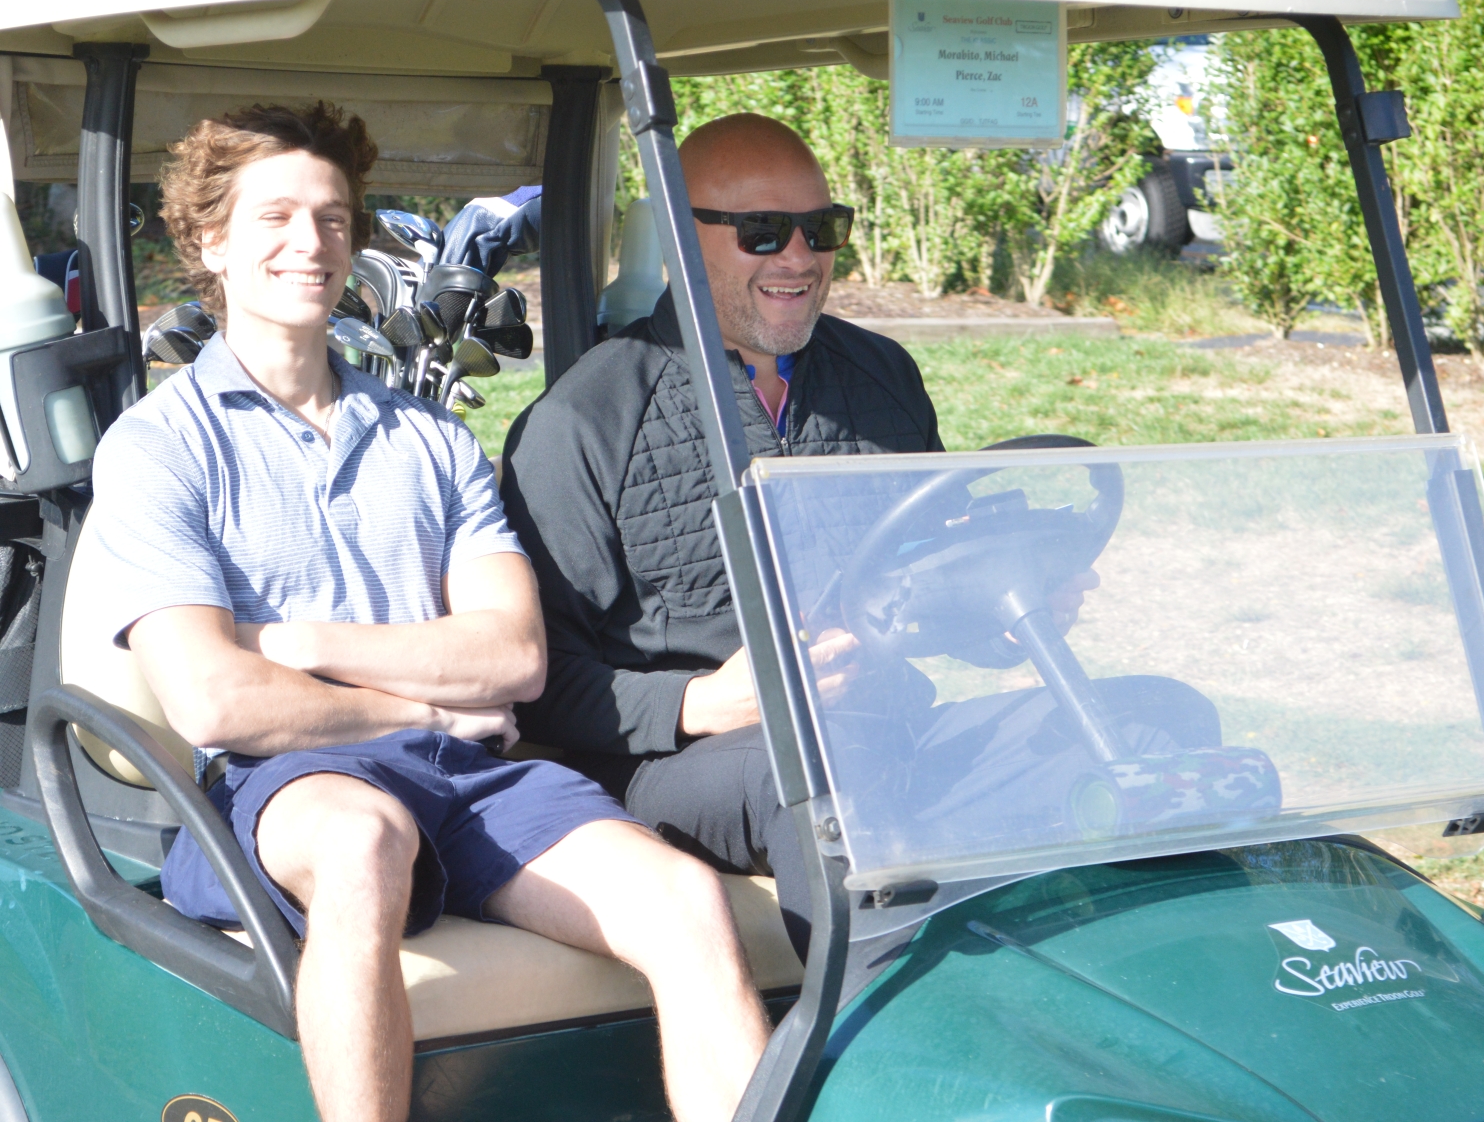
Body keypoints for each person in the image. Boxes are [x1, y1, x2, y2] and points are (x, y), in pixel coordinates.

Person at [84, 102, 767, 1122]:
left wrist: (298, 645)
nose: (311, 242)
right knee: (364, 842)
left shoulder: (430, 440)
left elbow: (513, 657)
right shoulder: (159, 447)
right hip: (286, 782)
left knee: (685, 899)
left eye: (332, 217)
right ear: (211, 241)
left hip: (469, 775)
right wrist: (424, 707)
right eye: (275, 217)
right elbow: (217, 700)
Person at [502, 113, 1109, 953]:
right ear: (678, 236)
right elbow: (534, 682)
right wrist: (699, 701)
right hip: (689, 763)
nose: (799, 256)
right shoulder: (586, 419)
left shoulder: (880, 379)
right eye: (762, 231)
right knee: (823, 780)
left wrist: (1002, 615)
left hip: (885, 729)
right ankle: (892, 1029)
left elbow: (919, 588)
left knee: (1151, 724)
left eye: (821, 229)